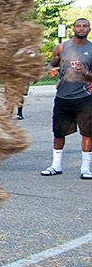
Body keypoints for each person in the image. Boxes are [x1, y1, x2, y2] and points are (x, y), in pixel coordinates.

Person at [41, 18, 92, 180]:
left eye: (85, 26)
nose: (81, 28)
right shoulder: (61, 47)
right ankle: (56, 165)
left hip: (85, 97)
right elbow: (51, 64)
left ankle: (85, 167)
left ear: (89, 30)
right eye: (78, 26)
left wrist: (86, 72)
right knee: (58, 132)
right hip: (63, 97)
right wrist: (51, 70)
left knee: (88, 133)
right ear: (73, 29)